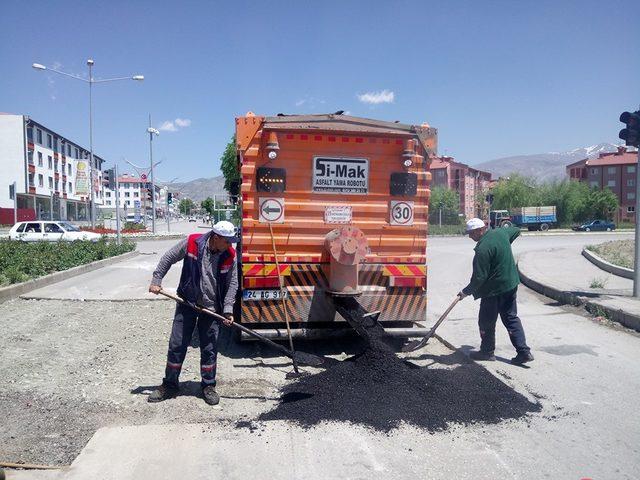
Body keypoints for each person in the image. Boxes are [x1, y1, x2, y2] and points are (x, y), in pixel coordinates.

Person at [147, 220, 239, 405]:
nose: (230, 245)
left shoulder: (230, 255)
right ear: (216, 237)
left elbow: (233, 284)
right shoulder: (192, 242)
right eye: (227, 241)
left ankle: (208, 386)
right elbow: (168, 257)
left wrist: (228, 310)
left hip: (212, 308)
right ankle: (170, 384)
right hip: (187, 302)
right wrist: (157, 279)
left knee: (210, 348)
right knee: (177, 344)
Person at [458, 218, 534, 365]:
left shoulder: (482, 249)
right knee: (511, 318)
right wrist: (504, 244)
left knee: (486, 321)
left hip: (493, 290)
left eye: (471, 233)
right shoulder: (501, 233)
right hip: (511, 284)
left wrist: (465, 292)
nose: (469, 236)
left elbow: (479, 277)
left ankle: (487, 352)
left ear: (480, 230)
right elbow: (516, 230)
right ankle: (524, 352)